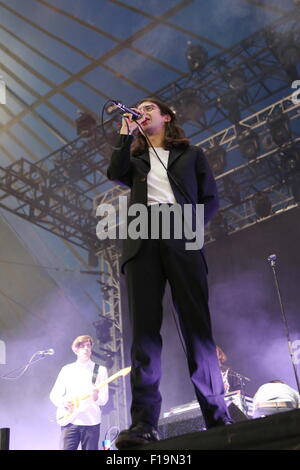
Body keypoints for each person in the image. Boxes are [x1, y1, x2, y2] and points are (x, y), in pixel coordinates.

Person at [107, 97, 232, 449]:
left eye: (149, 109)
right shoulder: (134, 159)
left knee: (197, 330)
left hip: (180, 235)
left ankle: (217, 416)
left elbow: (210, 197)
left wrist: (190, 229)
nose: (142, 113)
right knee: (144, 337)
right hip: (142, 241)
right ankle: (144, 424)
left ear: (166, 117)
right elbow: (114, 172)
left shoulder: (191, 154)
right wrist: (123, 134)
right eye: (139, 110)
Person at [49, 335, 108, 450]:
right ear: (75, 350)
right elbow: (54, 395)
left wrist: (96, 396)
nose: (86, 348)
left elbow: (104, 399)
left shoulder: (100, 370)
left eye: (88, 345)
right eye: (82, 346)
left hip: (91, 422)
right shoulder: (67, 370)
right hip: (70, 421)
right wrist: (64, 403)